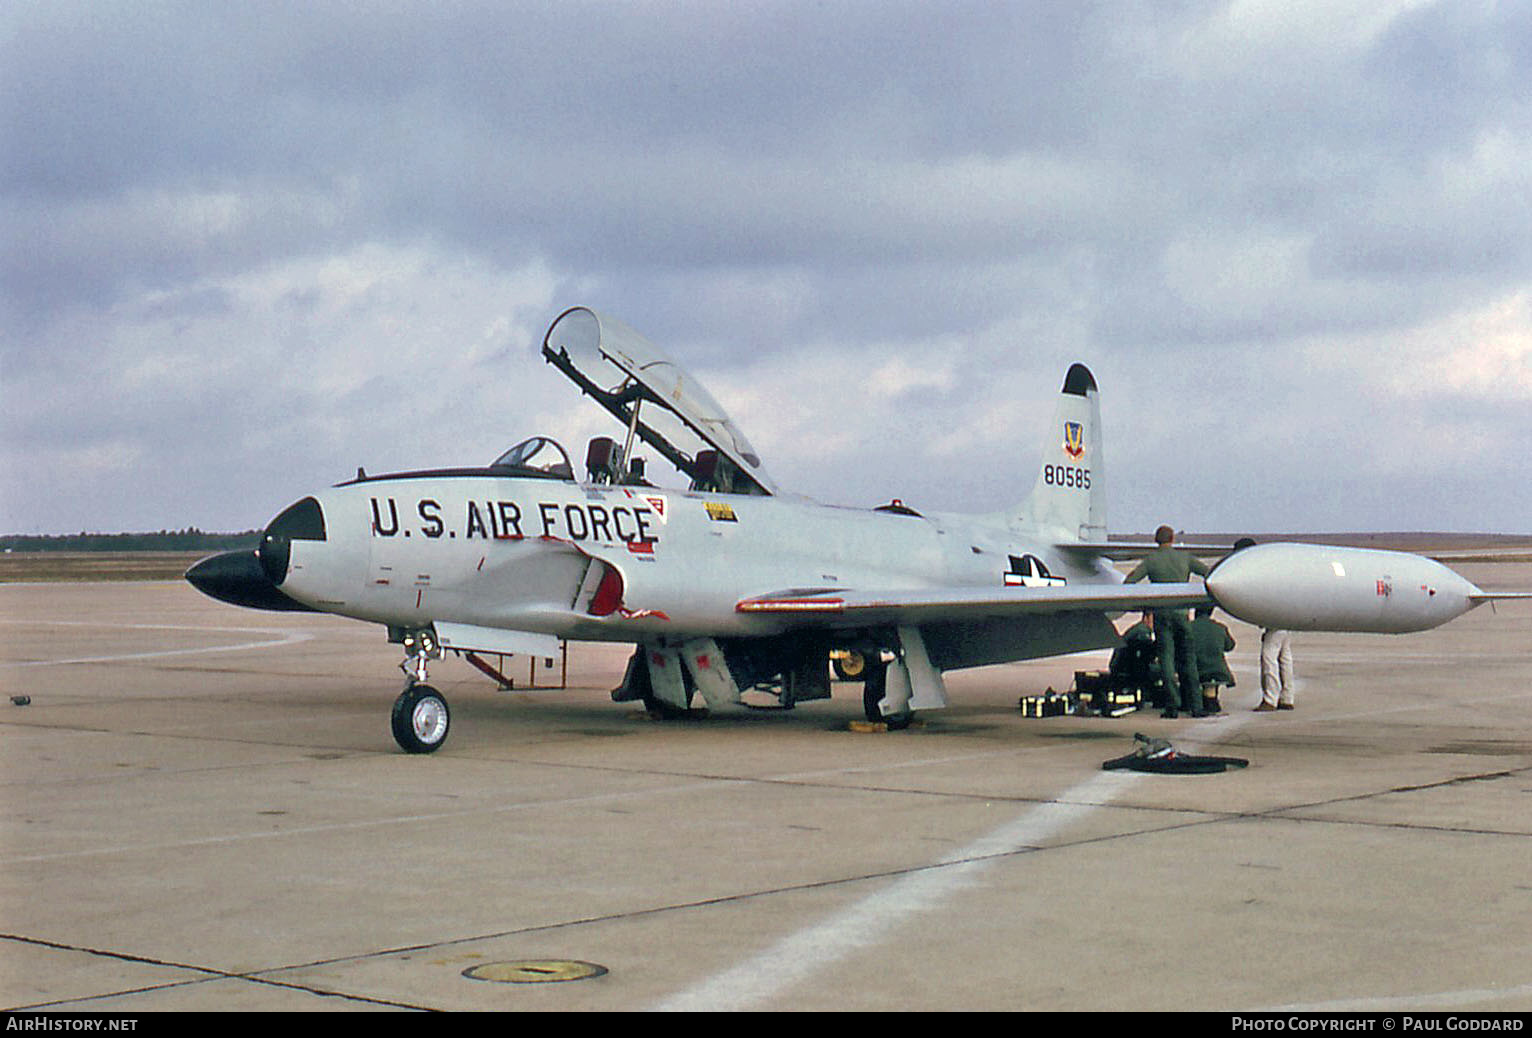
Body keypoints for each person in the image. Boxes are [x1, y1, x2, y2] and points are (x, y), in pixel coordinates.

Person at [1125, 525, 1211, 718]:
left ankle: (1172, 705)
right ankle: (1196, 706)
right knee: (1188, 661)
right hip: (1182, 614)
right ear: (1172, 539)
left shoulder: (1151, 560)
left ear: (1156, 540)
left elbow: (1130, 581)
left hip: (1162, 615)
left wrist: (1144, 602)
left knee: (1166, 662)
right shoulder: (1184, 558)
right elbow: (1208, 573)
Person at [1108, 611, 1162, 708]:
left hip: (1120, 667)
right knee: (1161, 671)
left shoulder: (1137, 629)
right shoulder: (1142, 631)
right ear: (1145, 618)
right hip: (1128, 669)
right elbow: (1147, 654)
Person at [1189, 604, 1235, 714]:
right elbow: (1230, 646)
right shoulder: (1220, 627)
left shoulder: (1189, 627)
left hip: (1198, 671)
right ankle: (1211, 700)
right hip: (1220, 672)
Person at [1257, 627, 1295, 711]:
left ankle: (1270, 699)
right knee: (1285, 659)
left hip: (1274, 625)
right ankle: (1287, 697)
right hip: (1286, 625)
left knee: (1268, 659)